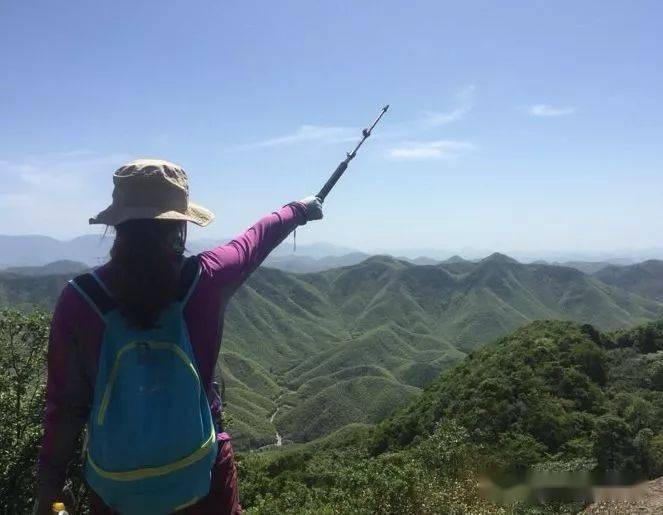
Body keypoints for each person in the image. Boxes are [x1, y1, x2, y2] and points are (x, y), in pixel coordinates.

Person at [35, 159, 323, 514]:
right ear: (180, 225)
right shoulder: (207, 278)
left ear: (118, 226)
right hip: (201, 476)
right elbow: (254, 240)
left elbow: (64, 407)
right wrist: (299, 210)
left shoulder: (78, 300)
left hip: (117, 491)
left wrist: (49, 484)